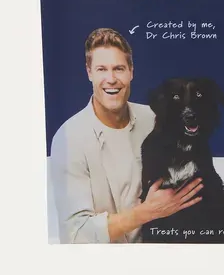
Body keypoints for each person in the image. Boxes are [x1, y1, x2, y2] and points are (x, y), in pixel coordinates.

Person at [50, 27, 203, 243]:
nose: (111, 79)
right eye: (102, 69)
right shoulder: (69, 138)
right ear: (89, 72)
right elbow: (75, 235)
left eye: (119, 69)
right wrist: (147, 212)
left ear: (131, 71)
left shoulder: (154, 119)